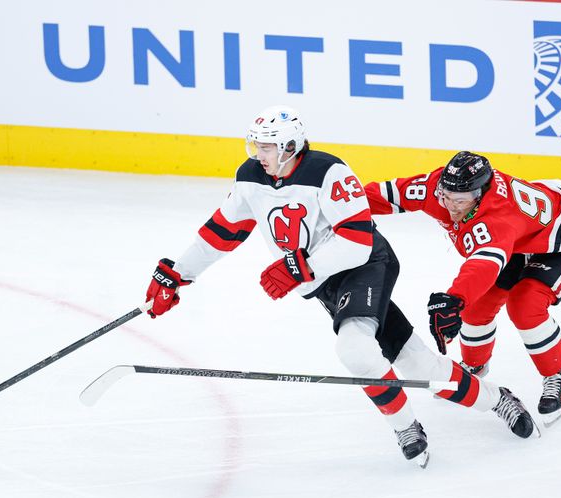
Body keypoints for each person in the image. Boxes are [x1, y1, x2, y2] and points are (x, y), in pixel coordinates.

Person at [144, 106, 536, 467]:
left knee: (355, 349)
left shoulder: (328, 172)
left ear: (290, 146)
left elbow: (357, 240)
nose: (257, 154)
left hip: (366, 266)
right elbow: (220, 232)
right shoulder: (250, 179)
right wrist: (176, 274)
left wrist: (300, 267)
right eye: (255, 145)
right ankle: (499, 399)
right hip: (324, 283)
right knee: (418, 364)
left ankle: (405, 427)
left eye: (266, 147)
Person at [365, 151, 561, 426]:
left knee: (525, 304)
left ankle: (558, 376)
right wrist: (337, 206)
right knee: (475, 309)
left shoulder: (497, 217)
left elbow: (484, 265)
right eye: (446, 197)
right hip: (523, 235)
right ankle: (475, 367)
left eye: (460, 201)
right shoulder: (439, 187)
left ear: (480, 194)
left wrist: (454, 299)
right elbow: (386, 193)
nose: (451, 206)